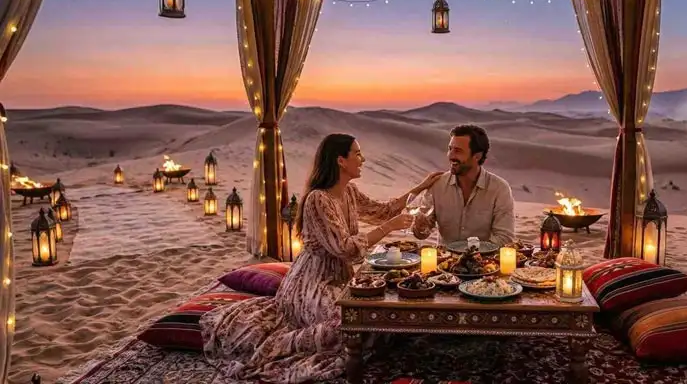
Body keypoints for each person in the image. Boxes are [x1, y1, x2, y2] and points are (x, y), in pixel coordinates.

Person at [200, 133, 443, 383]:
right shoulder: (318, 200)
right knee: (346, 325)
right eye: (357, 154)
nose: (363, 159)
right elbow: (344, 248)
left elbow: (382, 211)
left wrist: (420, 187)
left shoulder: (349, 192)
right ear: (340, 160)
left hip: (341, 277)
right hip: (313, 282)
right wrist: (388, 228)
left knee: (373, 317)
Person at [412, 124, 515, 246]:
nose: (450, 156)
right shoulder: (437, 185)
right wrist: (419, 227)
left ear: (477, 156)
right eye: (450, 149)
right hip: (444, 262)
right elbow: (422, 234)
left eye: (458, 151)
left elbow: (504, 238)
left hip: (484, 262)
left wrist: (469, 253)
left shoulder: (499, 189)